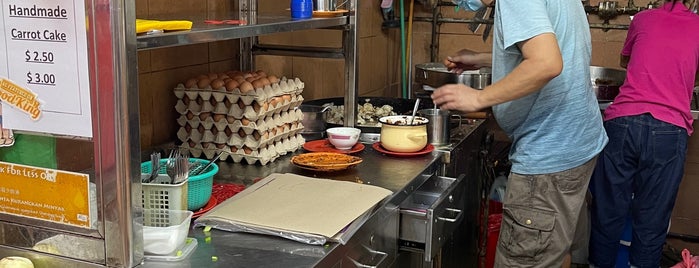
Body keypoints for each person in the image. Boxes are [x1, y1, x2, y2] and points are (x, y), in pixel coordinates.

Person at [432, 0, 608, 267]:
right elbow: (543, 44)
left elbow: (546, 63)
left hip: (548, 157)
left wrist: (479, 98)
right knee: (556, 253)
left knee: (525, 260)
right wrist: (481, 59)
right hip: (575, 147)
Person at [588, 1, 699, 267]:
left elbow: (626, 61)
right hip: (669, 130)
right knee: (652, 222)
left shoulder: (642, 18)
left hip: (623, 124)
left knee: (607, 215)